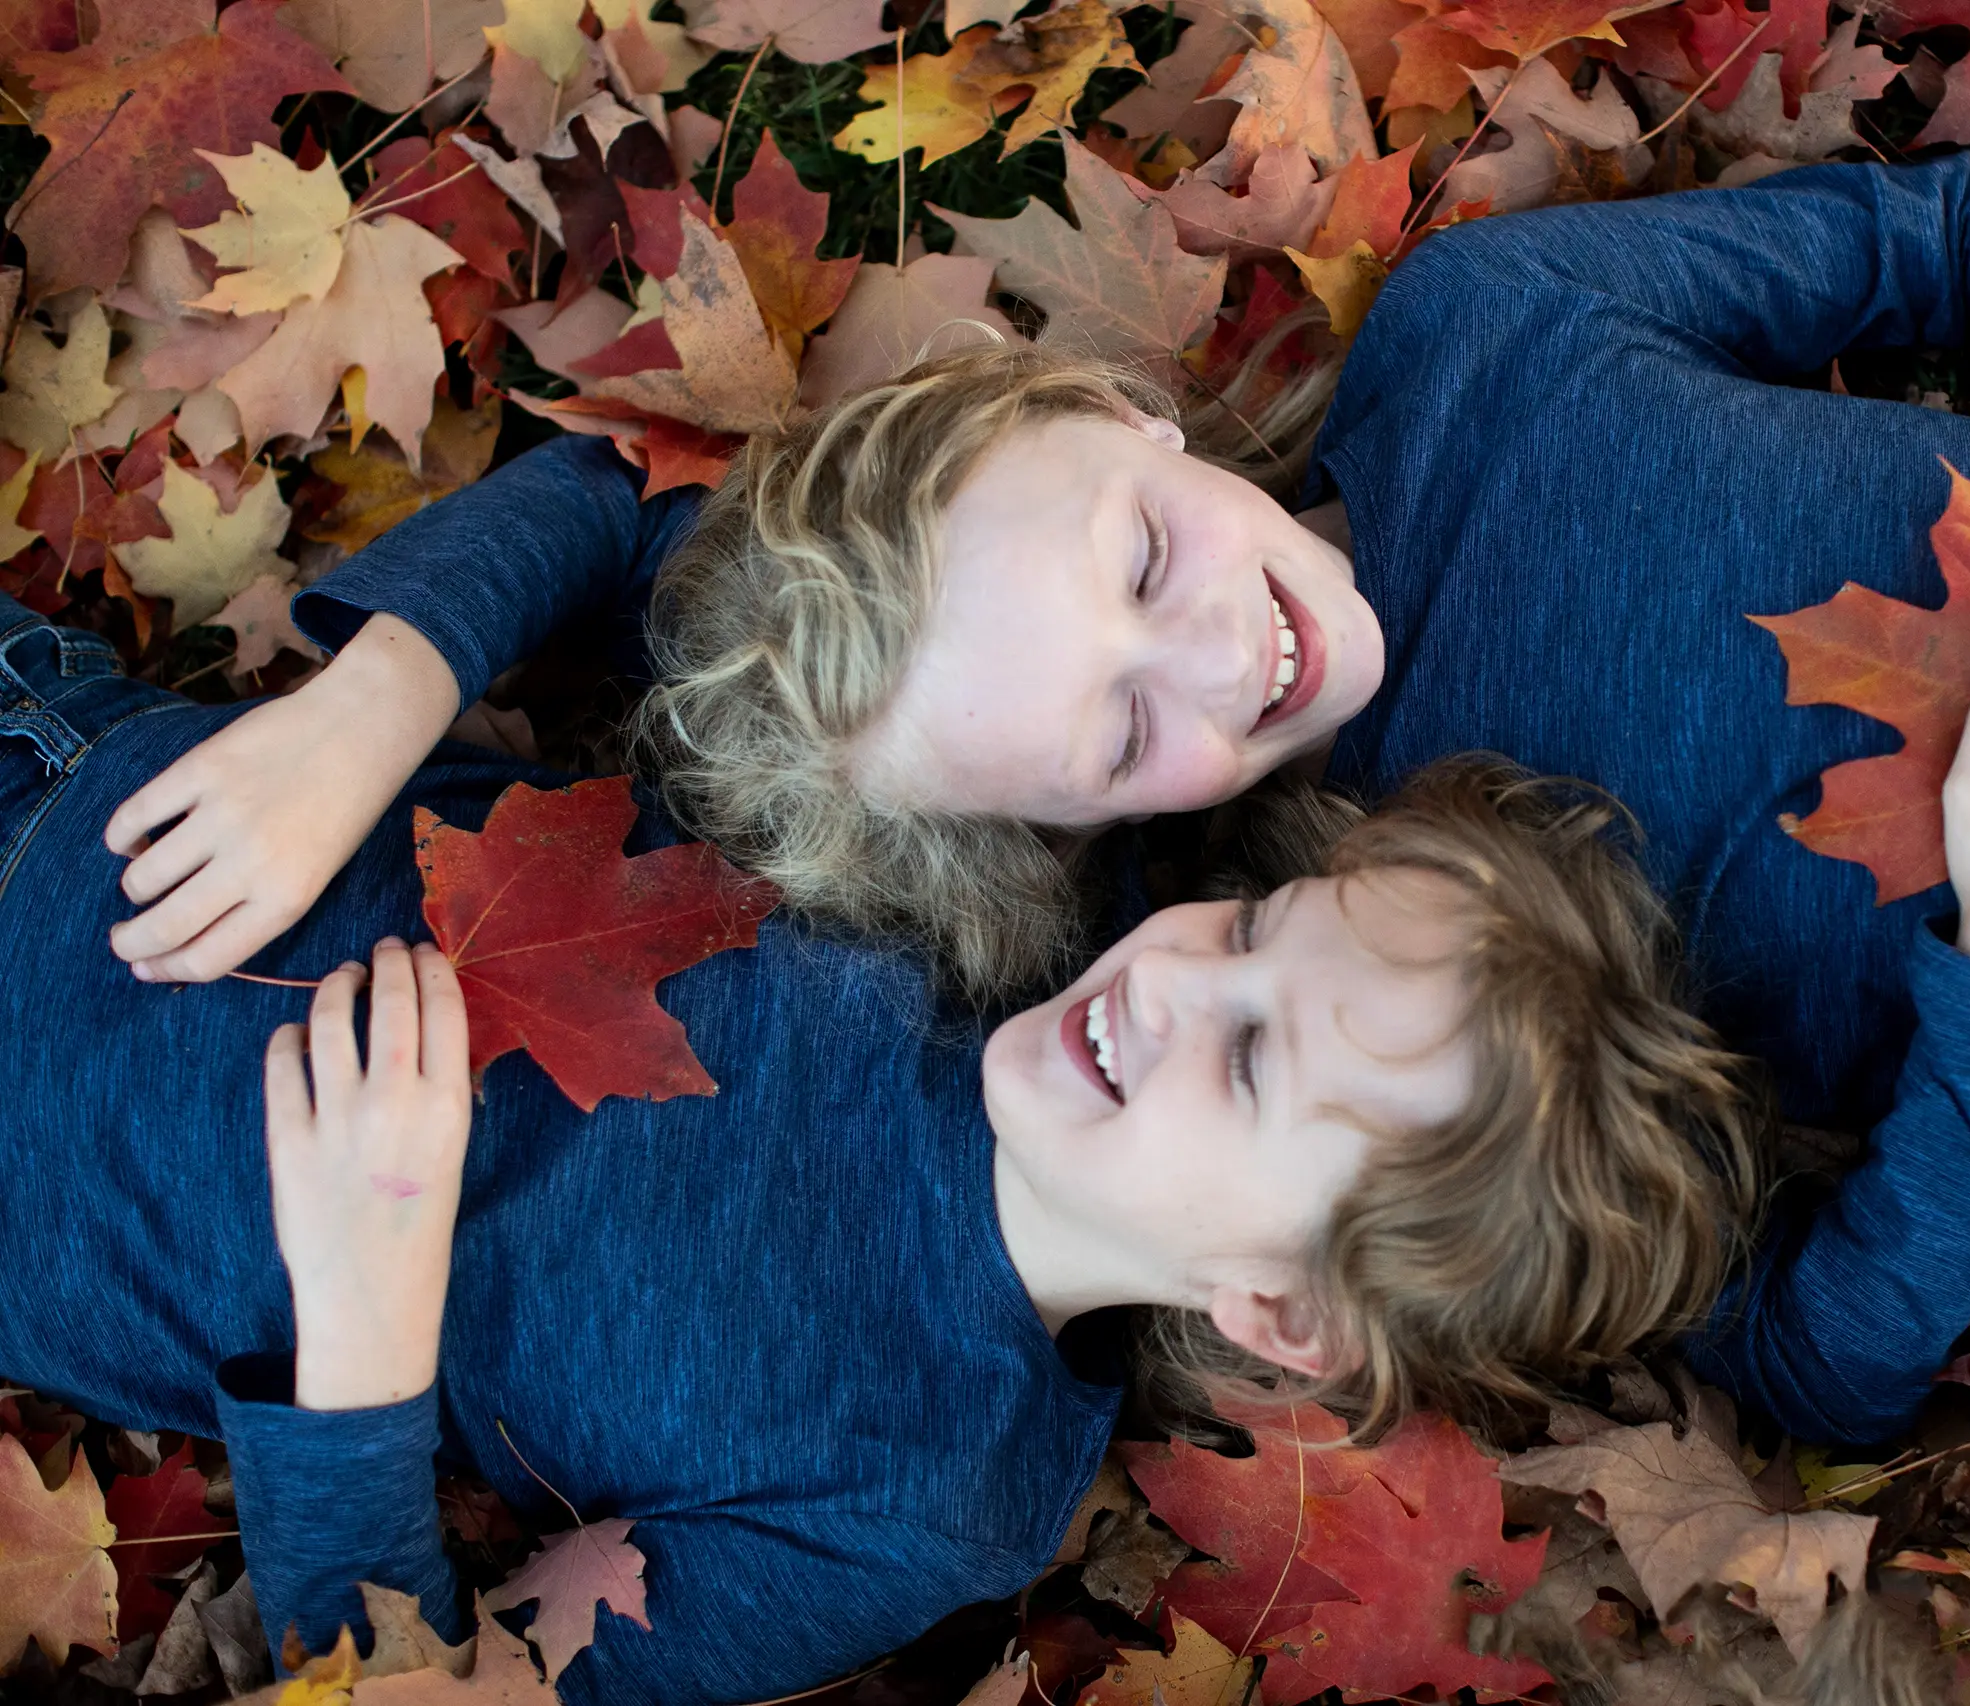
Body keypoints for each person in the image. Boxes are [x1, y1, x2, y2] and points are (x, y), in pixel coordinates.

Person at [98, 152, 1970, 1433]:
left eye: (1142, 556)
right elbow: (1801, 1361)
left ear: (1112, 419)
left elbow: (1959, 222)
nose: (1217, 656)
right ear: (1056, 840)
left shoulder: (1490, 337)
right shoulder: (1353, 945)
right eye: (1116, 734)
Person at [0, 591, 1765, 1704]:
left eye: (1247, 1067)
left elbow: (418, 1689)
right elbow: (647, 533)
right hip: (59, 762)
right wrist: (375, 698)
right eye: (1246, 935)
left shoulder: (923, 1498)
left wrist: (367, 1340)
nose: (1165, 987)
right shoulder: (991, 864)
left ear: (1287, 1309)